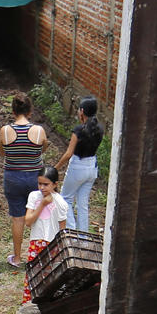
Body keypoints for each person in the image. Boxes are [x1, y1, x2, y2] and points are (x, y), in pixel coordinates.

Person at [0, 94, 52, 269]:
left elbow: (2, 152)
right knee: (39, 217)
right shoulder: (39, 131)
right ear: (30, 111)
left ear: (13, 111)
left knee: (18, 218)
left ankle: (17, 258)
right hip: (34, 179)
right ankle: (40, 257)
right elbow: (42, 149)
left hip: (13, 178)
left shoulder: (5, 131)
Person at [20, 169, 71, 303]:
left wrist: (61, 247)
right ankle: (27, 306)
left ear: (55, 184)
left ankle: (44, 306)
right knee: (31, 276)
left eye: (46, 184)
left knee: (49, 278)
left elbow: (62, 228)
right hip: (36, 242)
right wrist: (42, 204)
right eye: (40, 184)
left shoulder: (60, 203)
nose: (42, 188)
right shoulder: (34, 196)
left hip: (51, 244)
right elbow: (28, 221)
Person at [54, 95, 103, 233]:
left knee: (65, 200)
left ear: (82, 111)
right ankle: (83, 238)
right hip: (92, 167)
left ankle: (71, 232)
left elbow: (69, 153)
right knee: (82, 204)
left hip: (78, 167)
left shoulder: (79, 130)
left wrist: (56, 168)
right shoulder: (99, 129)